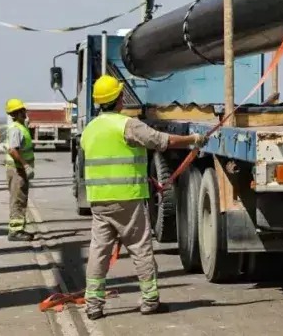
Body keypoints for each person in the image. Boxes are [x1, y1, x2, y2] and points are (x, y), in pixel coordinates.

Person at [81, 75, 206, 320]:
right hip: (127, 199)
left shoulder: (90, 129)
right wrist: (193, 140)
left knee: (99, 252)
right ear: (118, 99)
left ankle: (93, 305)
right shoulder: (127, 125)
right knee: (140, 249)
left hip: (99, 201)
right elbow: (162, 141)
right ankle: (150, 300)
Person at [4, 98, 35, 242]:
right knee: (17, 200)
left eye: (24, 110)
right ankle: (15, 231)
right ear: (15, 114)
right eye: (22, 110)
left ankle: (18, 229)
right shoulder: (16, 129)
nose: (24, 112)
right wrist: (26, 165)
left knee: (21, 199)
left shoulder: (21, 127)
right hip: (17, 170)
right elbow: (13, 150)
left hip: (19, 170)